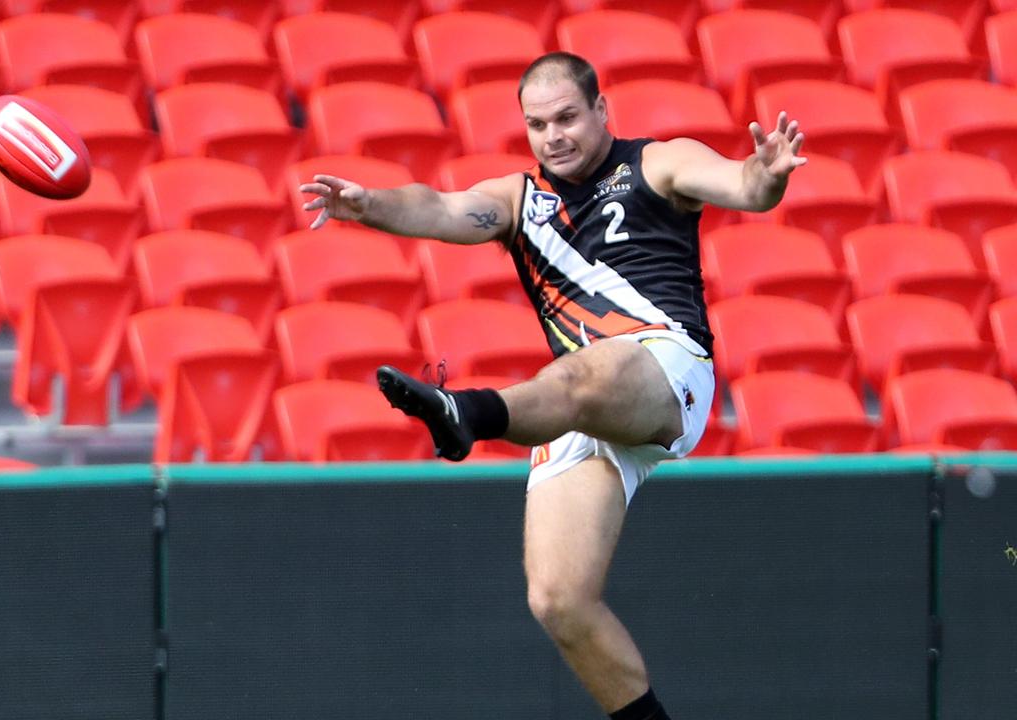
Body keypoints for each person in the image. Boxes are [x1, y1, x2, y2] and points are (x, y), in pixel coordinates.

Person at [299, 52, 806, 720]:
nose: (554, 135)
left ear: (602, 111)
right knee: (558, 600)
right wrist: (370, 206)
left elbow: (742, 185)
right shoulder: (520, 201)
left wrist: (766, 176)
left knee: (571, 375)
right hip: (582, 407)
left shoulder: (657, 163)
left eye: (568, 117)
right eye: (538, 125)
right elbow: (442, 208)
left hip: (664, 369)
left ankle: (466, 413)